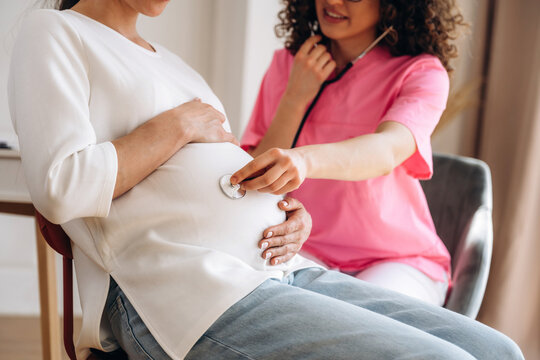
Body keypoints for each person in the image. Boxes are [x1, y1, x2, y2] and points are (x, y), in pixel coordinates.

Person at [8, 0, 524, 359]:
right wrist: (177, 126)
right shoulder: (56, 32)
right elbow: (60, 185)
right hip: (184, 291)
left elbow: (240, 176)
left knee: (497, 350)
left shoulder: (179, 69)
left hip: (280, 269)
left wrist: (285, 211)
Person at [234, 0, 464, 306]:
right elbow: (252, 176)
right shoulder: (288, 64)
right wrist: (294, 99)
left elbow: (386, 151)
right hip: (301, 249)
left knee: (364, 328)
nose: (332, 1)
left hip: (394, 261)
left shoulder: (421, 72)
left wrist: (304, 160)